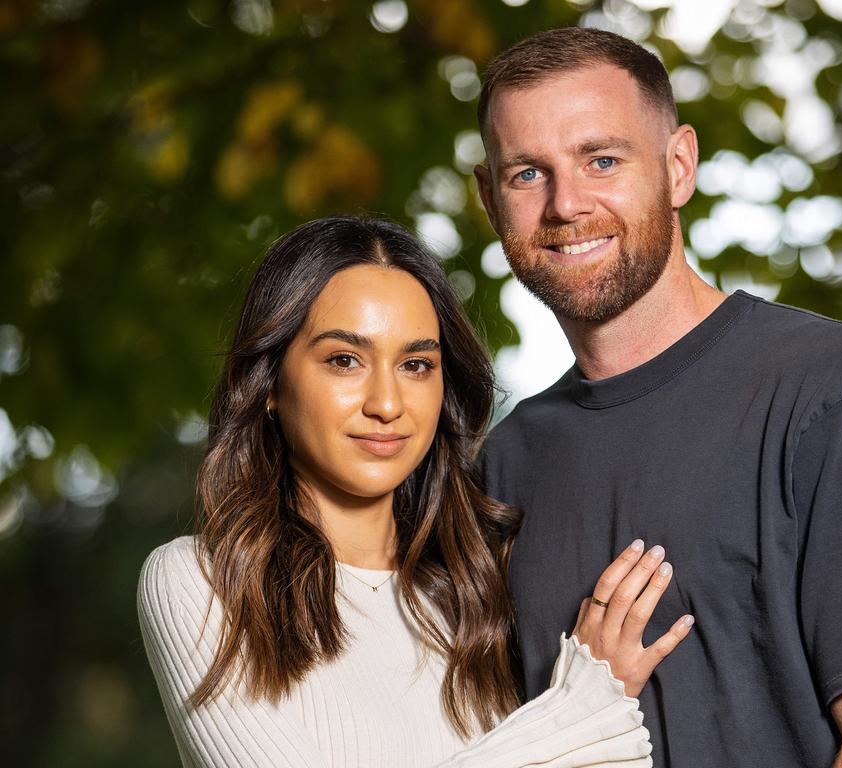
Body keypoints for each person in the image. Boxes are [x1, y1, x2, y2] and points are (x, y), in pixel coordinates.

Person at [473, 27, 842, 768]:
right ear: (491, 199)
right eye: (526, 174)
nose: (566, 204)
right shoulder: (503, 466)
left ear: (679, 167)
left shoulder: (835, 393)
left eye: (601, 160)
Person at [137, 216, 695, 768]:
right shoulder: (203, 582)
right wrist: (582, 710)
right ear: (269, 385)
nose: (387, 403)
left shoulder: (478, 593)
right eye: (344, 360)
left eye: (416, 365)